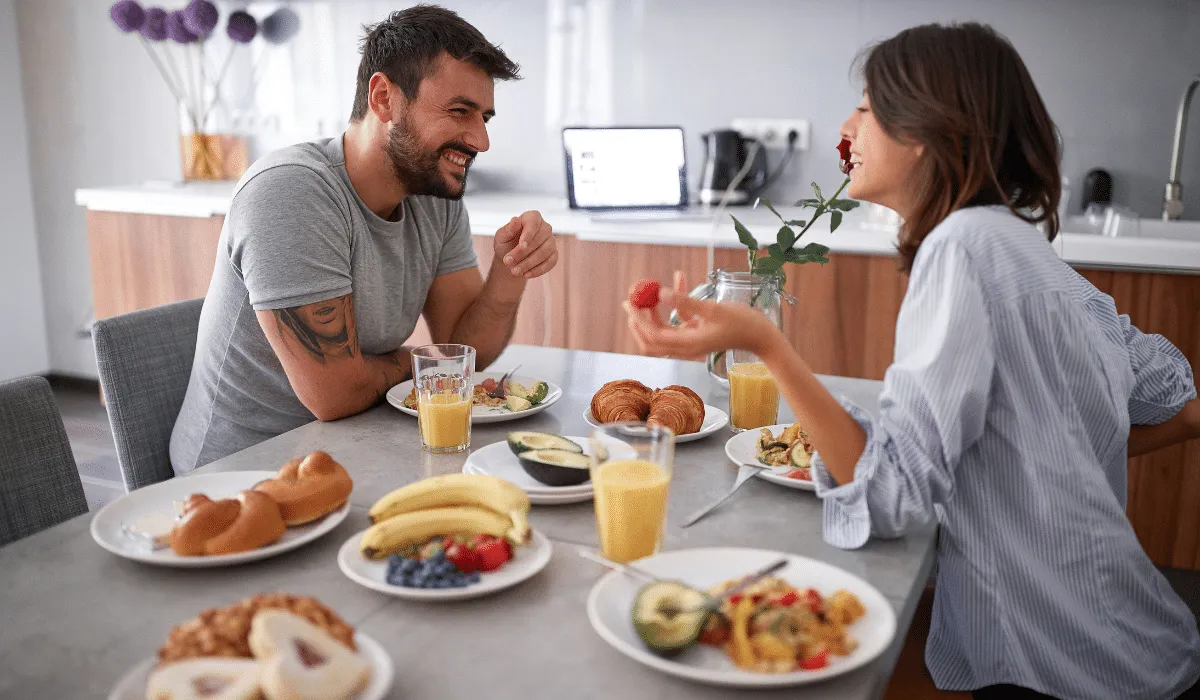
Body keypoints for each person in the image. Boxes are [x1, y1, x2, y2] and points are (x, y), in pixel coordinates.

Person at [625, 22, 1200, 700]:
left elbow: (890, 495)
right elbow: (1180, 397)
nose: (846, 125)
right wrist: (1044, 458)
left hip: (1058, 674)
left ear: (926, 127)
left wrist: (765, 344)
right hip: (1141, 645)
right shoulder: (1023, 245)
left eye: (866, 108)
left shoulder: (959, 248)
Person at [170, 5, 557, 474]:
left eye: (485, 119)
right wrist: (427, 364)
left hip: (352, 445)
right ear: (383, 98)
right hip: (245, 473)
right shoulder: (291, 192)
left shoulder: (434, 194)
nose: (480, 140)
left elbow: (462, 351)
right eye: (459, 112)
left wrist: (512, 269)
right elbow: (335, 395)